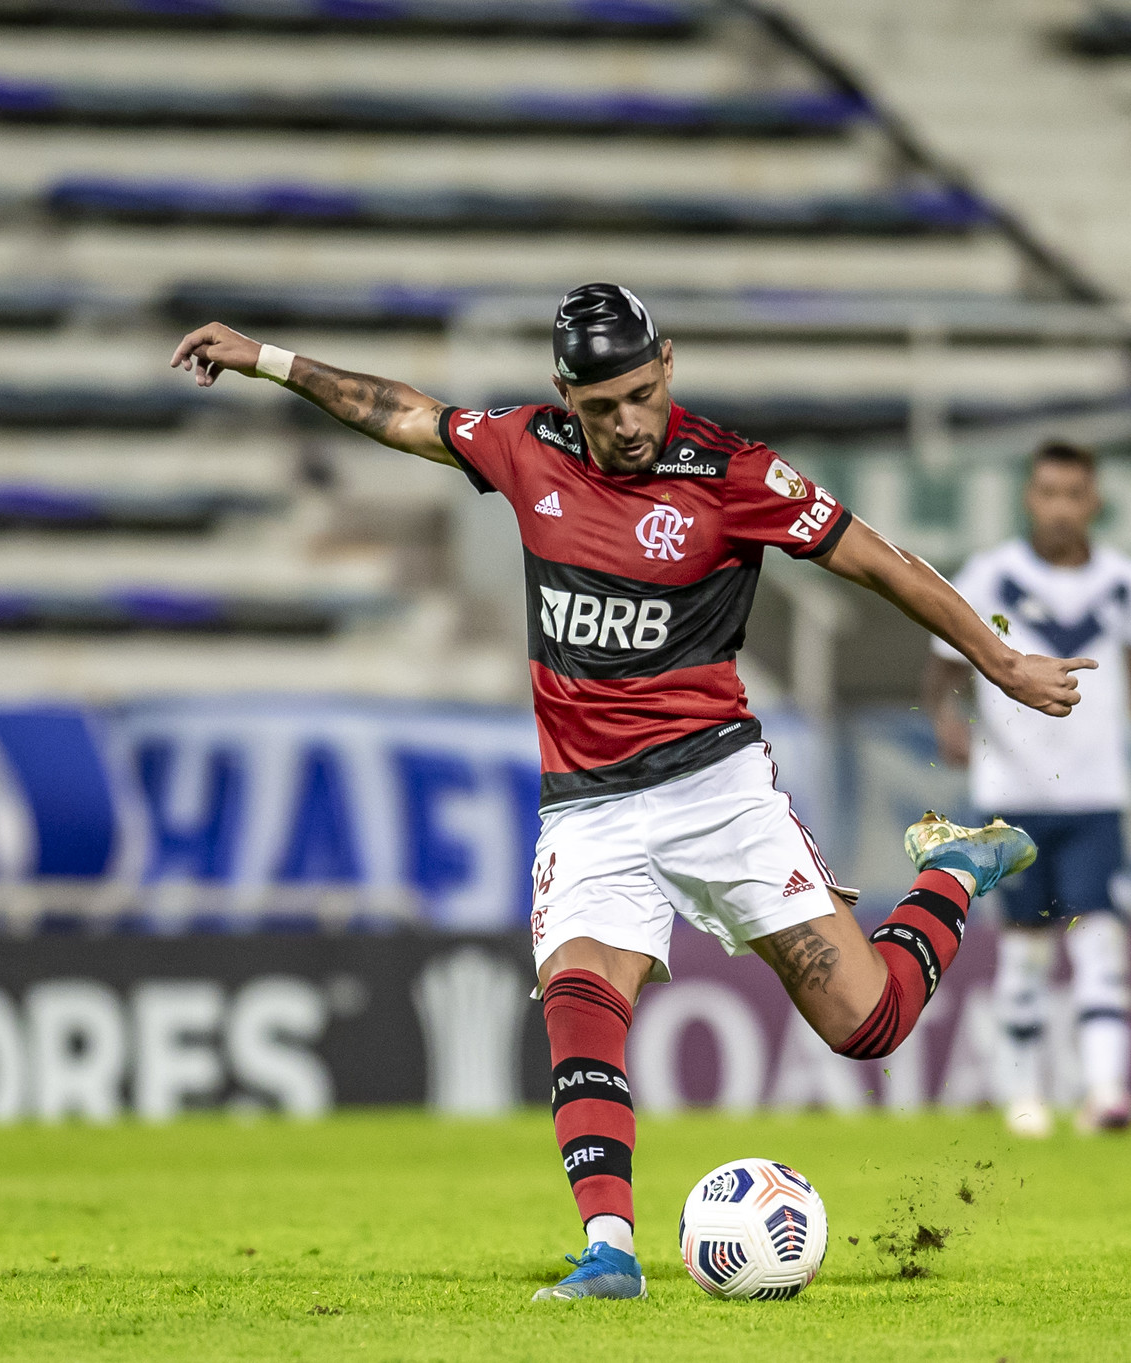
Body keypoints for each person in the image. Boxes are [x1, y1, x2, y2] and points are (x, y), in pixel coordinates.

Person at [170, 284, 1085, 1302]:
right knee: (578, 998)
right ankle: (609, 1250)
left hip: (717, 793)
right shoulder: (526, 448)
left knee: (865, 1027)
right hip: (590, 808)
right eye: (602, 406)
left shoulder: (734, 474)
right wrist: (267, 360)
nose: (628, 423)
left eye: (642, 395)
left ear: (668, 368)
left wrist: (996, 661)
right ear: (567, 395)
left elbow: (881, 563)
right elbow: (400, 412)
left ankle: (953, 868)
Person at [924, 440, 1131, 1137]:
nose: (1061, 508)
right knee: (1024, 945)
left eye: (1074, 493)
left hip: (1095, 793)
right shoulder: (989, 576)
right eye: (1048, 492)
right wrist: (947, 716)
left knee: (1100, 941)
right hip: (1011, 790)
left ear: (1093, 500)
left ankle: (1105, 1092)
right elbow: (943, 662)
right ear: (1028, 497)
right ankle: (1024, 1097)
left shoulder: (1119, 581)